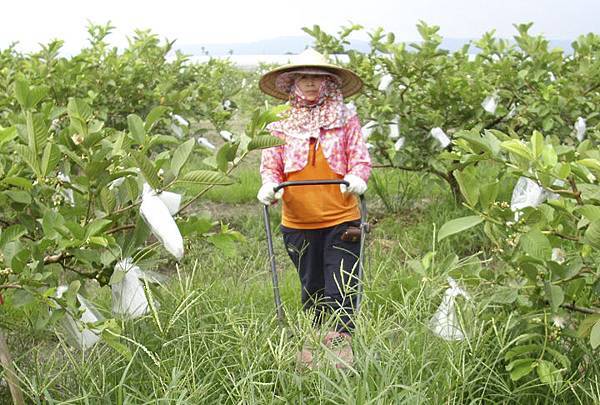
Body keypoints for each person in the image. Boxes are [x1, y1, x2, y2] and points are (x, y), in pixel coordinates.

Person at [257, 48, 371, 368]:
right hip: (298, 220)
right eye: (303, 77)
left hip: (342, 216)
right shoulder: (280, 122)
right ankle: (312, 348)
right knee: (312, 285)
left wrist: (356, 177)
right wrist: (269, 184)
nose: (310, 83)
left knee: (342, 284)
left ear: (327, 82)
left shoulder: (345, 117)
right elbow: (272, 163)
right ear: (293, 82)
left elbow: (359, 157)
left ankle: (340, 351)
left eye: (316, 77)